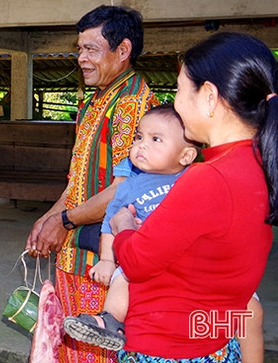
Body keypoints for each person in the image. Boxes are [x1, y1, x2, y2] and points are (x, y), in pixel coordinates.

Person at [110, 31, 276, 362]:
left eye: (180, 89)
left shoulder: (209, 178)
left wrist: (123, 226)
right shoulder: (259, 163)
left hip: (167, 348)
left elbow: (137, 262)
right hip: (211, 341)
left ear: (209, 96)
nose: (176, 101)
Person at [25, 4, 157, 362]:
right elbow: (78, 177)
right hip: (78, 252)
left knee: (95, 351)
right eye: (80, 49)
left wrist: (64, 221)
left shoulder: (132, 105)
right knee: (71, 348)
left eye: (91, 49)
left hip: (104, 263)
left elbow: (123, 190)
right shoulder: (97, 99)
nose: (81, 58)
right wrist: (49, 218)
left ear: (123, 50)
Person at [63, 104, 199, 350]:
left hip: (184, 262)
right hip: (141, 258)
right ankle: (109, 322)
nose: (141, 145)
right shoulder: (128, 188)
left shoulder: (194, 179)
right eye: (138, 137)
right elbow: (110, 224)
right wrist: (106, 260)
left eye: (155, 139)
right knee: (122, 279)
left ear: (186, 156)